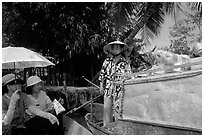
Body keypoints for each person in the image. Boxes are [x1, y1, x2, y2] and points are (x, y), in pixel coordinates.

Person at [98, 40, 132, 127]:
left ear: (121, 49)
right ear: (111, 49)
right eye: (114, 47)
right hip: (108, 88)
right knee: (107, 109)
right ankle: (106, 128)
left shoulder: (125, 62)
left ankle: (118, 128)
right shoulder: (107, 61)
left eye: (118, 47)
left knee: (118, 110)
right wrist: (101, 86)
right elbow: (102, 74)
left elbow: (129, 75)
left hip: (119, 90)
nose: (116, 49)